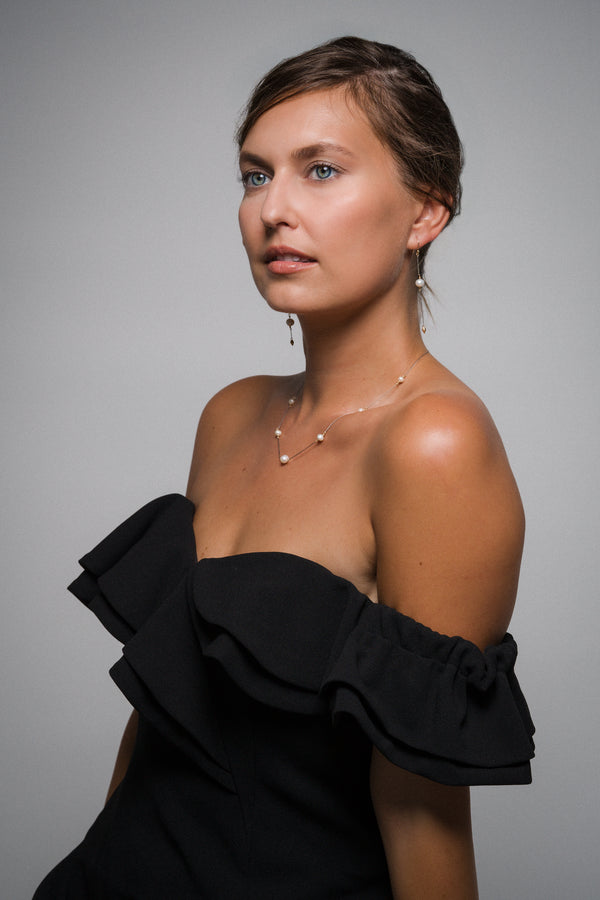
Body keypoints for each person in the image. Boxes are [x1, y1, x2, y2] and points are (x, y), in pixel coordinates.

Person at [34, 36, 534, 900]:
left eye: (323, 170)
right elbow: (165, 708)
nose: (274, 210)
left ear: (426, 212)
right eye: (255, 174)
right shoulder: (232, 412)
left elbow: (422, 804)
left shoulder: (435, 444)